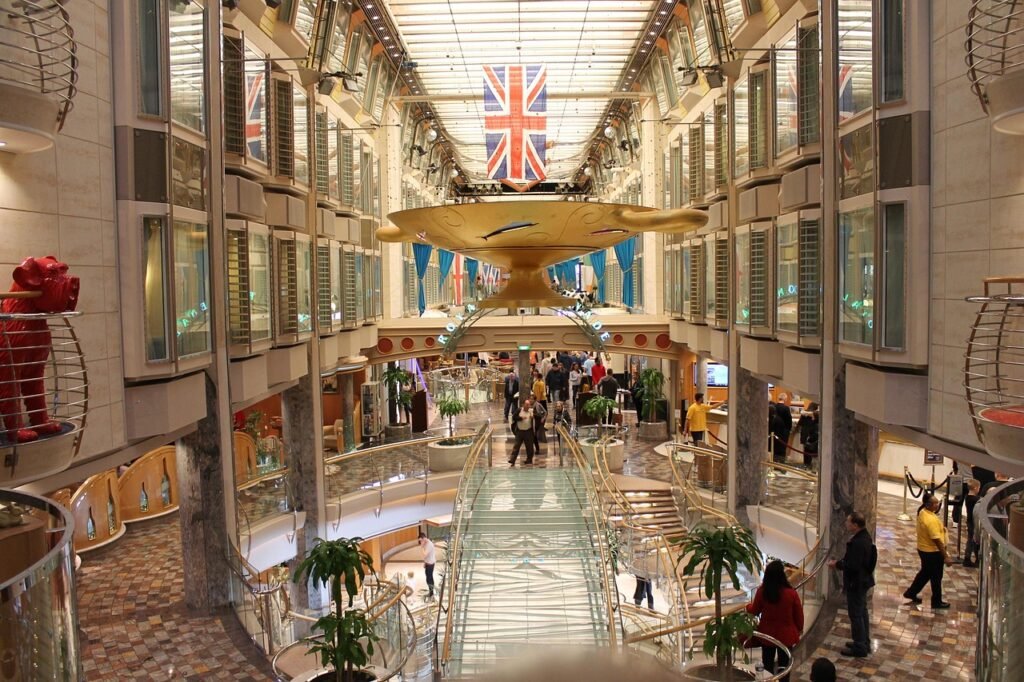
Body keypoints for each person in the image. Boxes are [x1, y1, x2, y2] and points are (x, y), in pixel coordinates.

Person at [828, 511, 876, 657]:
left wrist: (837, 564)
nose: (846, 524)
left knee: (856, 614)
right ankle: (863, 642)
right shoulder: (865, 537)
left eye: (848, 522)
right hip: (863, 581)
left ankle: (859, 646)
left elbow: (852, 565)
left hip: (856, 583)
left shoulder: (857, 542)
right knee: (862, 612)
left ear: (855, 525)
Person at [746, 560, 803, 680]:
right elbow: (799, 615)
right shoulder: (791, 593)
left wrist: (747, 606)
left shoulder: (763, 592)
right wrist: (799, 629)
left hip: (767, 635)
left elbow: (754, 610)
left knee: (767, 666)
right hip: (786, 636)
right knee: (784, 666)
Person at [903, 491, 952, 609]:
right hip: (932, 552)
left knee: (925, 573)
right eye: (935, 503)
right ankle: (936, 601)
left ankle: (911, 592)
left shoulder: (924, 513)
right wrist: (945, 555)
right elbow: (936, 540)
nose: (938, 505)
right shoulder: (930, 520)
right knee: (936, 577)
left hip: (924, 550)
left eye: (938, 503)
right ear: (928, 505)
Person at [509, 397, 537, 466]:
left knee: (529, 447)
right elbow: (514, 417)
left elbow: (538, 416)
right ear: (523, 405)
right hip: (519, 431)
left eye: (529, 405)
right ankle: (512, 459)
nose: (528, 406)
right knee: (516, 446)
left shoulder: (531, 411)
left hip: (528, 431)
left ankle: (529, 459)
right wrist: (520, 418)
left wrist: (533, 417)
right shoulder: (519, 410)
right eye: (526, 405)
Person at [963, 478, 982, 567]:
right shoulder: (976, 499)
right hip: (973, 521)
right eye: (979, 488)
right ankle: (971, 558)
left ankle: (968, 557)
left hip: (969, 520)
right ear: (975, 488)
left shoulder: (967, 497)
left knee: (970, 539)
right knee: (973, 540)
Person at [796, 403, 819, 469]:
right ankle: (810, 465)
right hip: (811, 434)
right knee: (812, 450)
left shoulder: (804, 413)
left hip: (805, 433)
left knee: (806, 451)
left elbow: (800, 423)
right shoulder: (815, 414)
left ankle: (806, 464)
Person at [418, 532, 436, 600]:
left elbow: (425, 554)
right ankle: (430, 592)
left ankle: (432, 594)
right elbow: (426, 556)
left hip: (430, 564)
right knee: (428, 578)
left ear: (424, 538)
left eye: (420, 540)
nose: (420, 542)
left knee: (429, 579)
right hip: (428, 563)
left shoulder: (429, 544)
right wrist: (425, 563)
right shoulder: (426, 543)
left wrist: (422, 547)